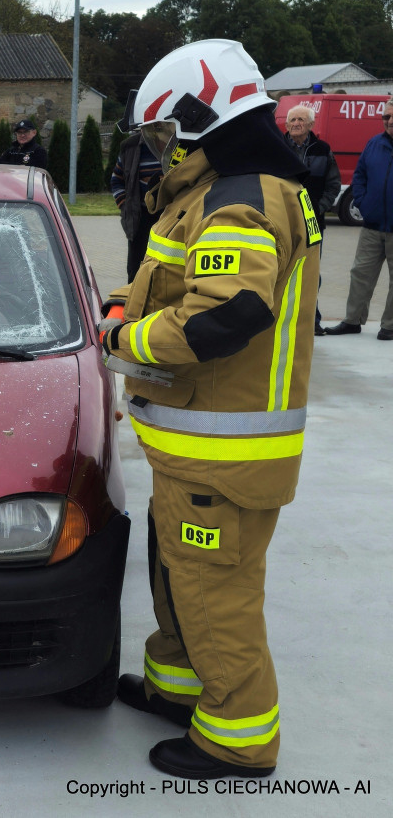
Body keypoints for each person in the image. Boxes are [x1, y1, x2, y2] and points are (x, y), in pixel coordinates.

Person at [100, 39, 319, 779]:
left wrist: (128, 336)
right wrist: (125, 309)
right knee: (178, 576)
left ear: (204, 117)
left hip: (223, 453)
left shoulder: (239, 198)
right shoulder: (229, 191)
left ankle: (237, 738)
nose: (164, 150)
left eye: (167, 133)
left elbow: (223, 316)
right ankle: (180, 689)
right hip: (195, 446)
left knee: (214, 592)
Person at [324, 98, 393, 340]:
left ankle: (390, 326)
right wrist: (364, 204)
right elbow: (360, 176)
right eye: (386, 116)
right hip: (372, 226)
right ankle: (352, 321)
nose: (390, 121)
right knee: (360, 275)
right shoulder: (374, 144)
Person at [283, 104, 340, 335]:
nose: (296, 123)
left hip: (313, 223)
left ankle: (311, 321)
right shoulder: (276, 147)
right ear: (286, 125)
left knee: (310, 272)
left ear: (311, 124)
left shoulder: (323, 149)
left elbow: (333, 184)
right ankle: (282, 318)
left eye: (301, 120)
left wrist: (318, 209)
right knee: (282, 269)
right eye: (292, 120)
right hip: (283, 221)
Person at [110, 130, 164, 281]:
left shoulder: (174, 143)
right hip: (139, 217)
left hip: (169, 215)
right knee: (136, 269)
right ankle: (132, 300)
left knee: (165, 267)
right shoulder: (130, 147)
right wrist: (124, 205)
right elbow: (116, 180)